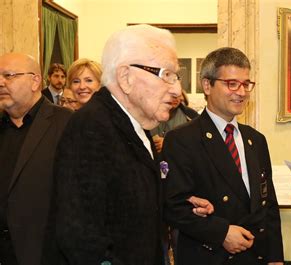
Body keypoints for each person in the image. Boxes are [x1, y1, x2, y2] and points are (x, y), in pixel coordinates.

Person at [49, 25, 212, 265]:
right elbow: (80, 235)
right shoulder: (91, 128)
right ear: (125, 78)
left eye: (176, 76)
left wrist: (173, 202)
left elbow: (122, 197)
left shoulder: (134, 125)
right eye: (166, 75)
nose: (177, 89)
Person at [163, 47, 284, 265]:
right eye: (232, 83)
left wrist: (275, 257)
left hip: (254, 257)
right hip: (209, 256)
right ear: (207, 85)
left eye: (246, 84)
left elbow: (268, 206)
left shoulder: (255, 140)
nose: (241, 92)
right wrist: (221, 233)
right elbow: (173, 206)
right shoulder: (182, 139)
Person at [0, 53, 72, 265]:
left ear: (35, 81)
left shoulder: (66, 123)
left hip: (45, 254)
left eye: (9, 75)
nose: (1, 82)